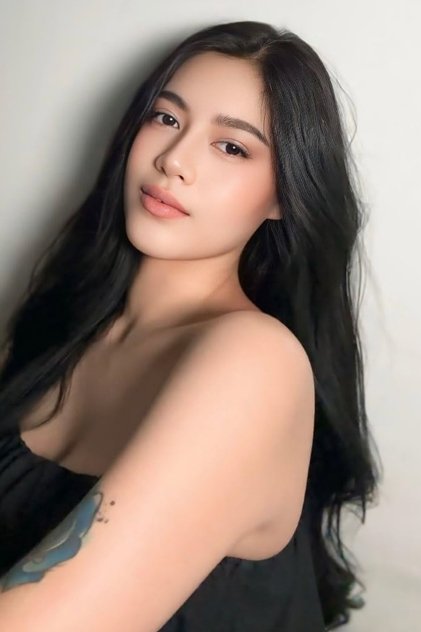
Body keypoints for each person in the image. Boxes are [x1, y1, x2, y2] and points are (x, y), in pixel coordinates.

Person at [0, 20, 381, 631]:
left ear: (285, 194)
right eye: (166, 117)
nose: (173, 160)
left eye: (232, 147)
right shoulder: (60, 326)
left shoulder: (254, 363)